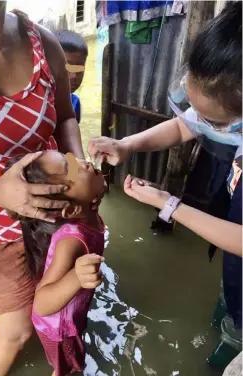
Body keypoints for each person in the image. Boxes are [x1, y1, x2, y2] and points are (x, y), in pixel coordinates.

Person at [88, 1, 242, 369]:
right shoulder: (222, 95)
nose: (198, 121)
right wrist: (126, 145)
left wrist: (169, 203)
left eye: (213, 120)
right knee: (233, 289)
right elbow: (186, 125)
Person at [0, 2, 97, 376]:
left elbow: (66, 116)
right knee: (16, 332)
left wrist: (77, 173)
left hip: (56, 219)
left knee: (58, 295)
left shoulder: (44, 43)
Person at [4, 150, 105, 376]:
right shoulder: (72, 241)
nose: (84, 163)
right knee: (65, 370)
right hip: (58, 330)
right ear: (70, 210)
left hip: (68, 314)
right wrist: (76, 277)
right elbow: (41, 304)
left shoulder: (89, 213)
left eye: (71, 158)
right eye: (72, 169)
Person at [53, 30, 88, 124]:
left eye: (79, 68)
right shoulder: (35, 104)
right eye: (67, 68)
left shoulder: (75, 103)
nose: (74, 76)